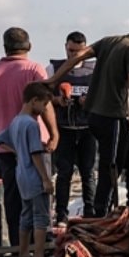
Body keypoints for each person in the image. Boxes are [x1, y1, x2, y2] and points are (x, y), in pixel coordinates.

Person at [46, 17, 129, 217]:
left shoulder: (110, 41)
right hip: (111, 117)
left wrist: (53, 79)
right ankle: (101, 215)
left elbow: (79, 56)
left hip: (95, 116)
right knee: (111, 168)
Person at [0, 27, 54, 247]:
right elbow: (46, 104)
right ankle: (40, 248)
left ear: (5, 48)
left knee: (13, 200)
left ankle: (18, 246)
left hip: (6, 148)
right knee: (39, 199)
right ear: (29, 46)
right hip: (37, 146)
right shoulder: (34, 69)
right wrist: (54, 134)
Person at [0, 82, 55, 257]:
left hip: (21, 174)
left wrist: (19, 151)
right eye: (44, 104)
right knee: (41, 218)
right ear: (34, 100)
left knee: (26, 215)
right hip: (34, 176)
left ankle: (23, 254)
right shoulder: (31, 124)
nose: (44, 109)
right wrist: (46, 179)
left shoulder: (15, 122)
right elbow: (36, 154)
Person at [49, 31, 98, 223]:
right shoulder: (54, 68)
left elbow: (103, 95)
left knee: (88, 173)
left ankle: (90, 213)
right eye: (71, 50)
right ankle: (61, 215)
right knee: (64, 174)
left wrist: (89, 101)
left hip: (88, 130)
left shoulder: (95, 70)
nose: (74, 55)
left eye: (78, 51)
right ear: (65, 47)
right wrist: (58, 100)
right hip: (64, 130)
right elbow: (43, 96)